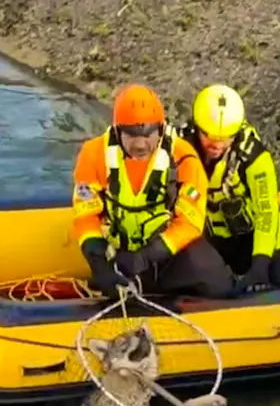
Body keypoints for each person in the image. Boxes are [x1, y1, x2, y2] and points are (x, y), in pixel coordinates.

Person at [71, 83, 235, 299]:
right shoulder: (93, 155)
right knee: (109, 287)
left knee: (219, 286)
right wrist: (98, 262)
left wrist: (146, 257)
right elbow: (86, 216)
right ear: (117, 131)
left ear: (161, 128)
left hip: (170, 254)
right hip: (121, 253)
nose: (140, 145)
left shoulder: (184, 158)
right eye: (131, 135)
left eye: (148, 134)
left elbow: (190, 222)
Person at [176, 84, 280, 293]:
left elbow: (266, 212)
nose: (216, 144)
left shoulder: (254, 157)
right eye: (209, 135)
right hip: (216, 241)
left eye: (225, 137)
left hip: (262, 238)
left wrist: (259, 266)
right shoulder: (181, 148)